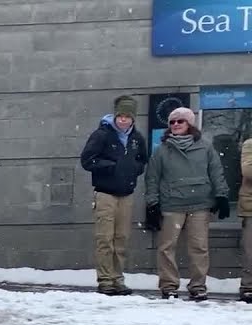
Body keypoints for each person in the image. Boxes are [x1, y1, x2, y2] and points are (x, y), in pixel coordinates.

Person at [143, 107, 230, 301]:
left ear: (189, 124)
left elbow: (216, 173)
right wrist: (152, 204)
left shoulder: (205, 147)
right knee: (167, 247)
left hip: (200, 204)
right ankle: (169, 285)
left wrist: (222, 196)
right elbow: (152, 179)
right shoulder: (162, 151)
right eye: (172, 122)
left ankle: (198, 286)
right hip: (171, 205)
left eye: (180, 121)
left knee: (199, 247)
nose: (175, 125)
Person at [80, 95, 148, 295]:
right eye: (120, 115)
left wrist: (133, 169)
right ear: (116, 116)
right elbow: (87, 160)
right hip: (105, 193)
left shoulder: (137, 138)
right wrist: (112, 167)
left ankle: (118, 279)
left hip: (126, 194)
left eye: (128, 116)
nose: (123, 119)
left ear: (133, 118)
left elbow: (142, 160)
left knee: (122, 239)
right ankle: (105, 280)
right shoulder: (101, 135)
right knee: (105, 239)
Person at [240, 136, 252, 303]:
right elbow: (248, 171)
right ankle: (248, 287)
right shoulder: (250, 144)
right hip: (250, 206)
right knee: (250, 251)